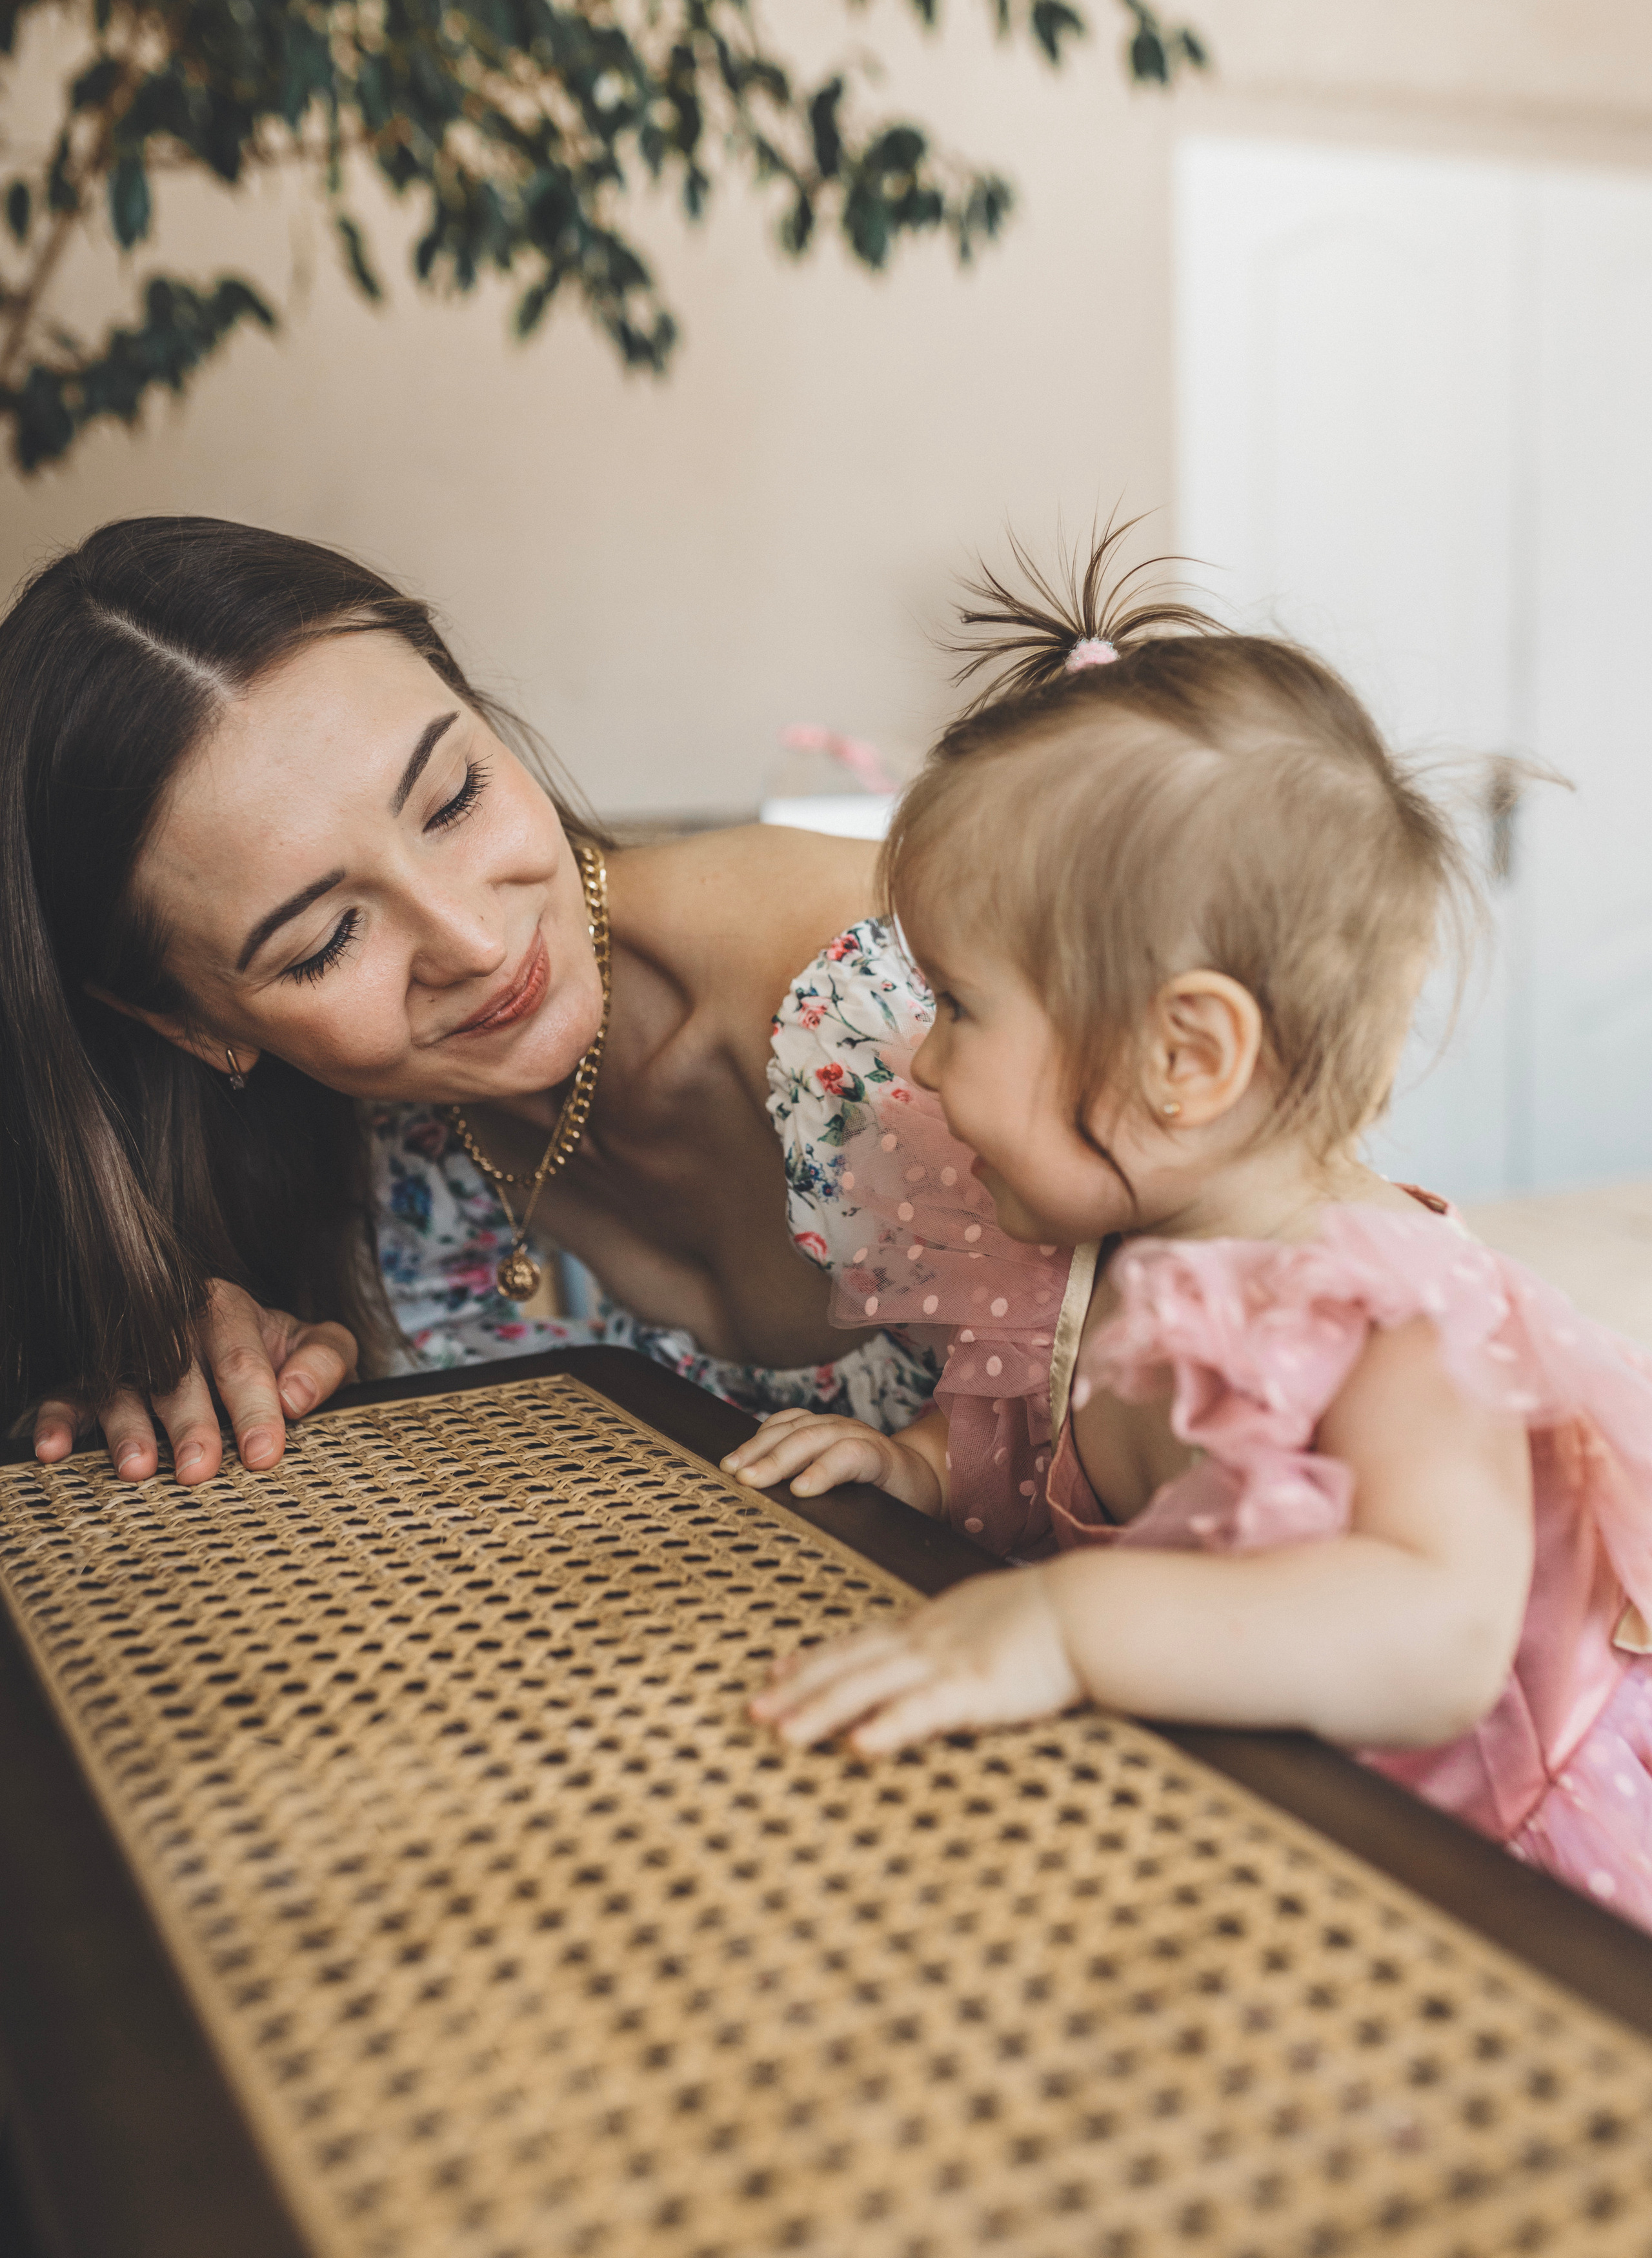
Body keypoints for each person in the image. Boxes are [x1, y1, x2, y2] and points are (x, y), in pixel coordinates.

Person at [731, 556, 1652, 1926]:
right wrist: (908, 1466)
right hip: (1256, 1820)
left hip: (1482, 1872)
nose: (915, 1058)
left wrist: (1067, 1630)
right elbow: (1033, 1444)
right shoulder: (1083, 1259)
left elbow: (1438, 1638)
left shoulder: (1392, 1321)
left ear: (1185, 1053)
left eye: (961, 1006)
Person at [3, 518, 938, 1484]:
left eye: (453, 799)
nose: (474, 943)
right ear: (187, 1024)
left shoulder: (902, 997)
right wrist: (211, 1374)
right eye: (324, 942)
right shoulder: (344, 1176)